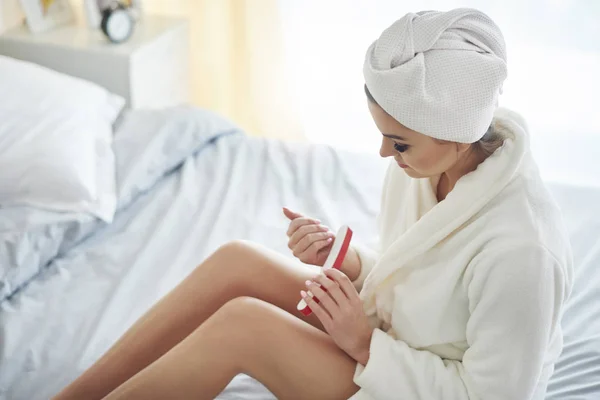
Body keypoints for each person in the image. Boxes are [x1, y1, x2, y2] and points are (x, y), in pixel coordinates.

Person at [53, 8, 573, 400]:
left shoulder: (522, 252)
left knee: (245, 325)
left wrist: (366, 344)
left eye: (398, 143)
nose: (382, 154)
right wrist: (343, 260)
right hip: (397, 343)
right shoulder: (426, 166)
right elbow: (417, 279)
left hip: (411, 382)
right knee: (239, 260)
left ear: (456, 135)